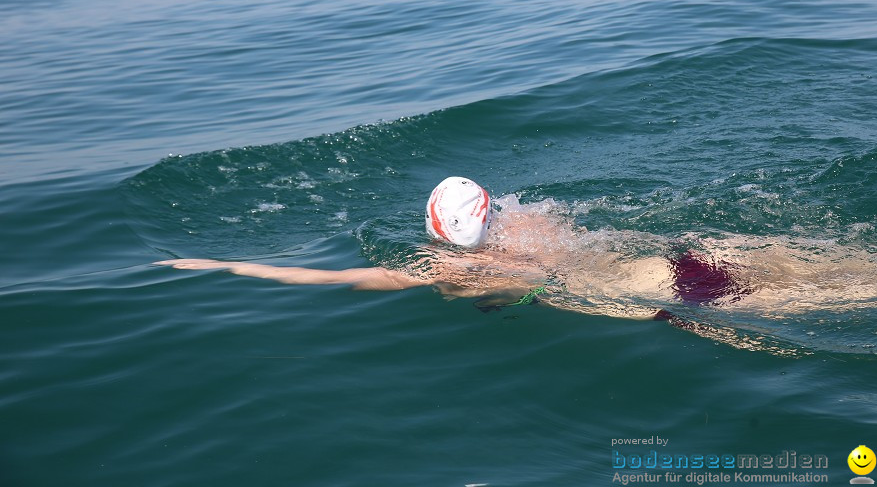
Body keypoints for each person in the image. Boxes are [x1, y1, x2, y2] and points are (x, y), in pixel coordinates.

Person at [156, 176, 750, 329]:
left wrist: (225, 264)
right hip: (674, 258)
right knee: (840, 273)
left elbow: (329, 279)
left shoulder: (447, 271)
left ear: (436, 230)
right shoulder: (533, 221)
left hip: (652, 297)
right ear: (490, 209)